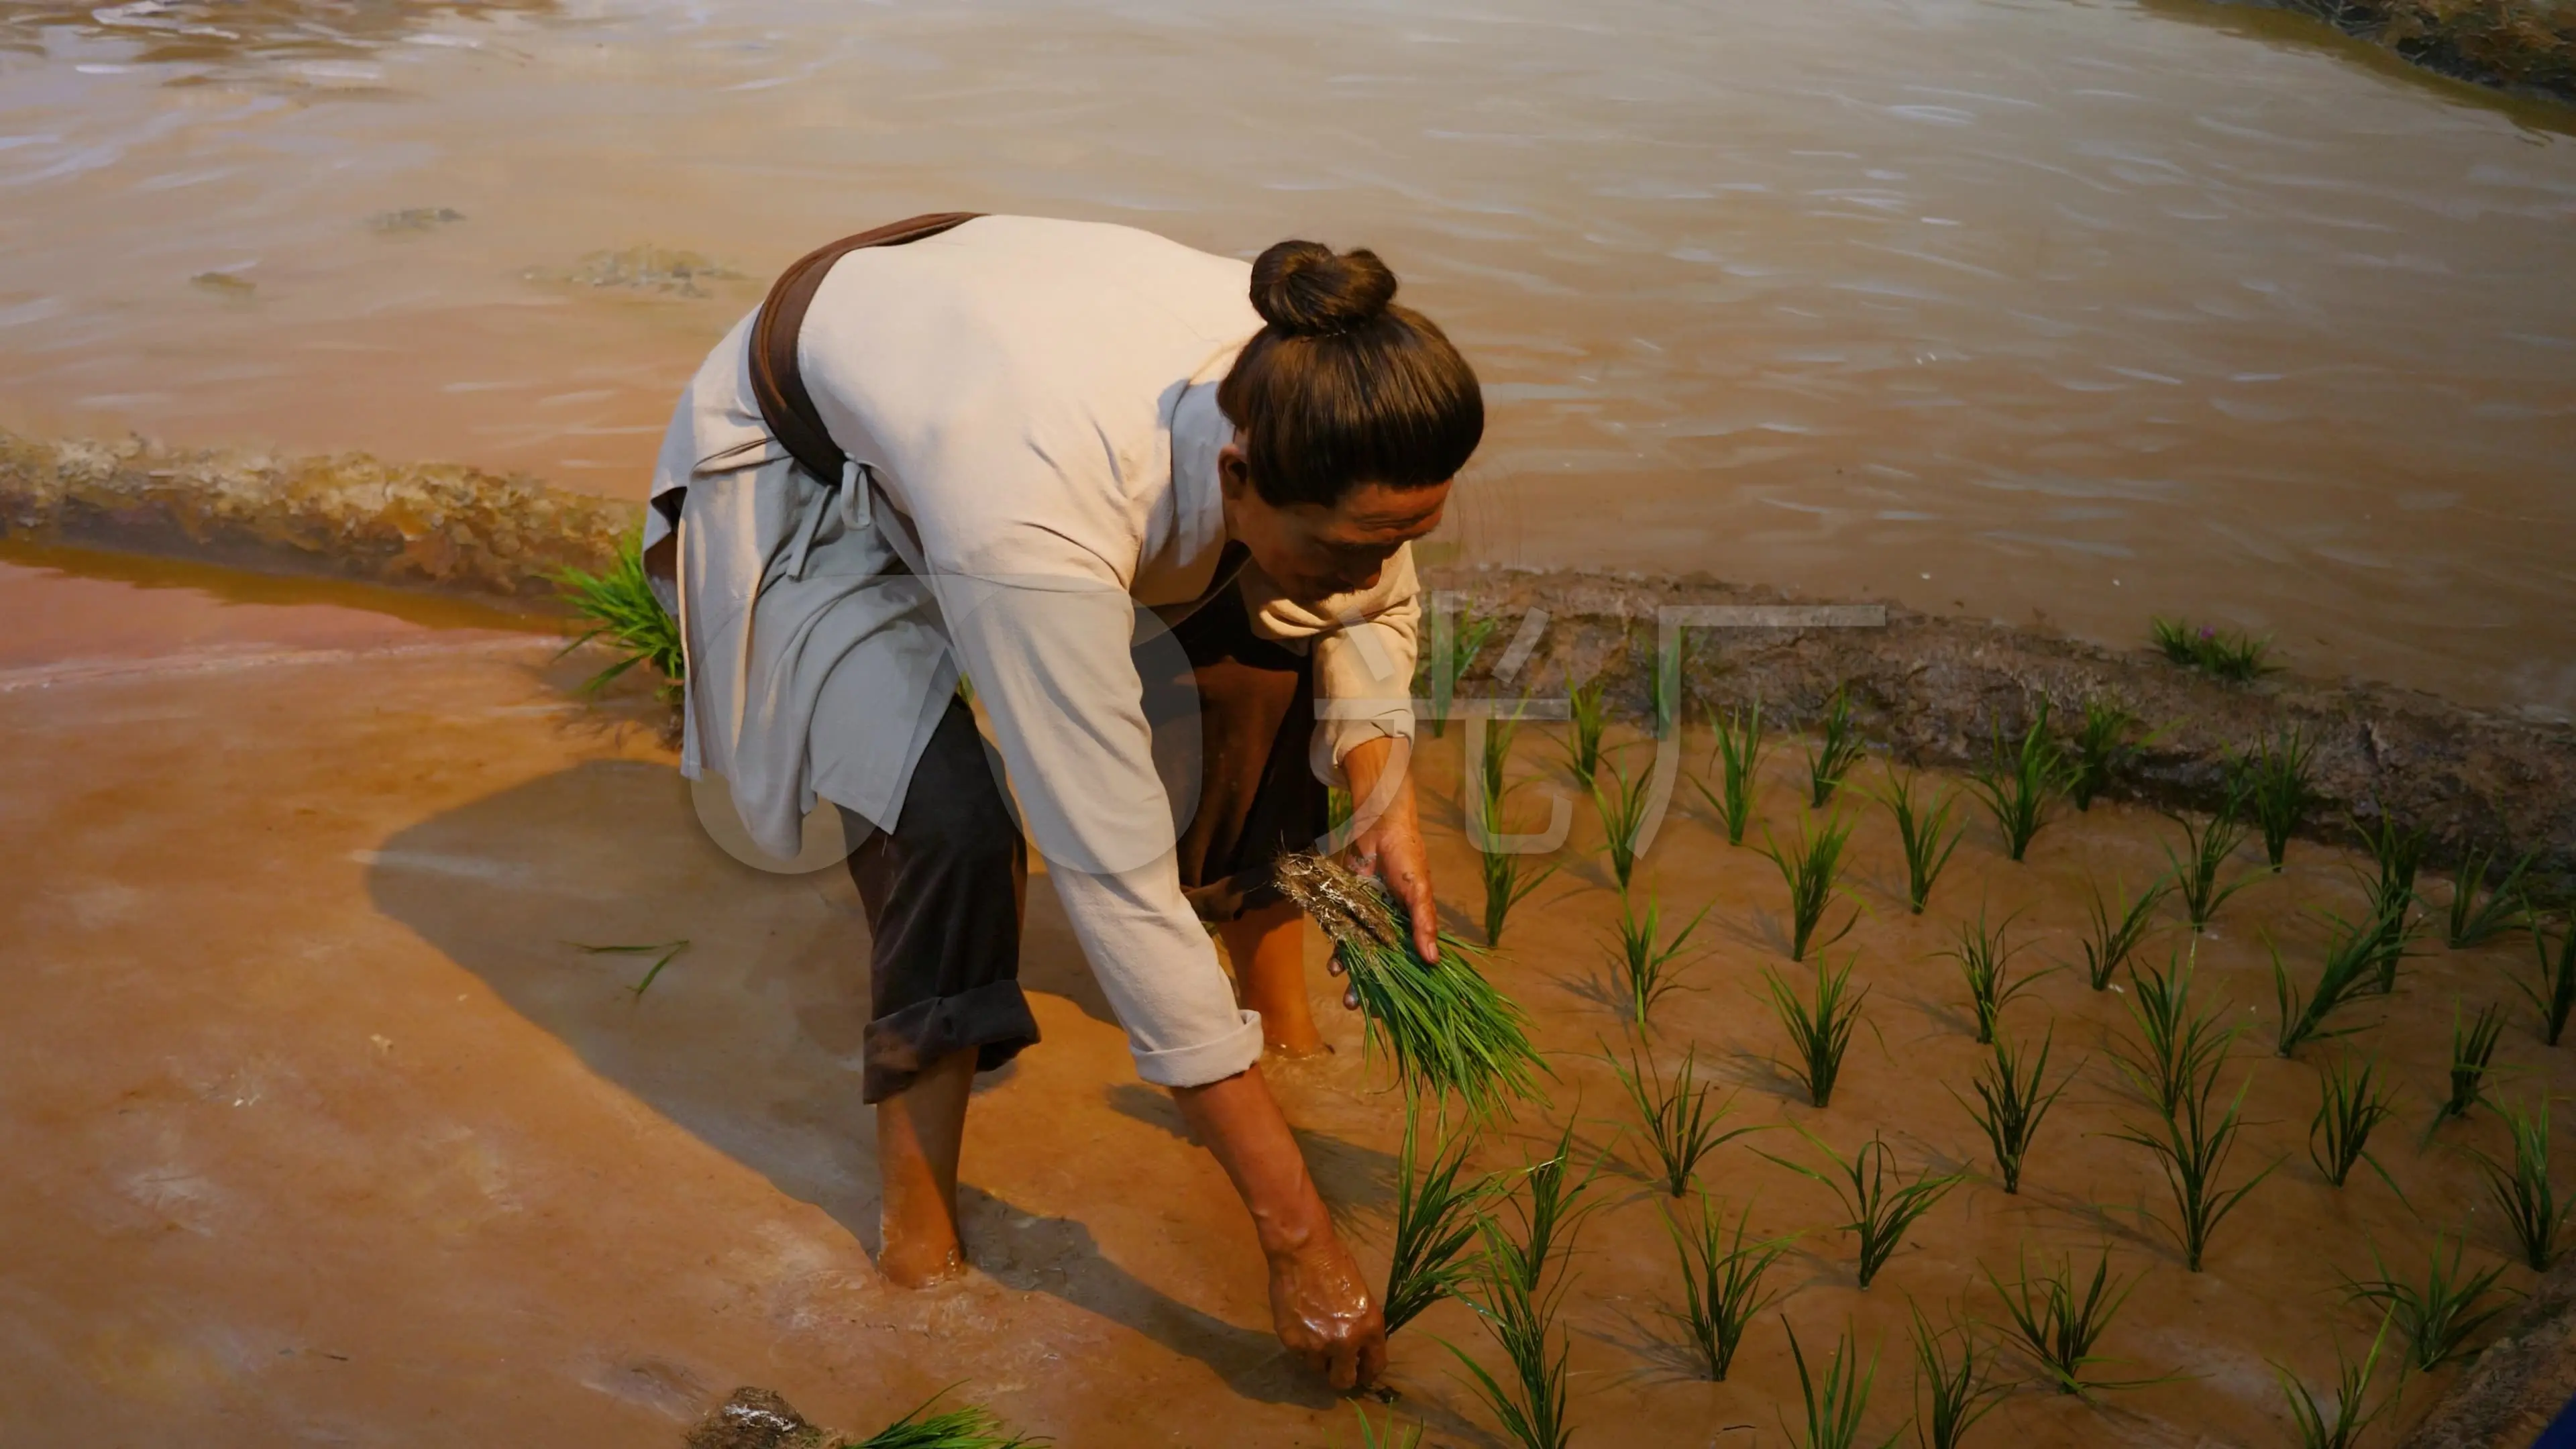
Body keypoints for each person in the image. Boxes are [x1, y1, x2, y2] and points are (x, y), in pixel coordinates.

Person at [642, 214, 1481, 1391]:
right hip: (816, 463)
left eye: (1408, 533)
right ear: (1238, 476)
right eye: (1350, 543)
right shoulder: (1033, 518)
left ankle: (1275, 1022)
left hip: (966, 360)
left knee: (1266, 655)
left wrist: (1382, 785)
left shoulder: (1320, 376)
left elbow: (1373, 579)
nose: (1377, 565)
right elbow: (1112, 875)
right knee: (951, 825)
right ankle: (917, 1243)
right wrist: (1298, 1240)